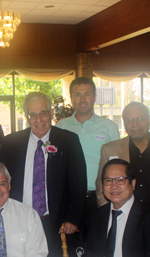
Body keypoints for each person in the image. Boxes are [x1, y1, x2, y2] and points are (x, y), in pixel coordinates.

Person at [0, 92, 87, 257]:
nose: (38, 120)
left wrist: (73, 218)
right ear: (27, 117)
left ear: (51, 113)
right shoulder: (11, 144)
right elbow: (3, 183)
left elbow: (78, 184)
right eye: (33, 115)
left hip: (56, 224)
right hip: (19, 221)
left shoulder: (68, 141)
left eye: (43, 113)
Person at [56, 77, 120, 243]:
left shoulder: (108, 127)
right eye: (77, 94)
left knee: (98, 244)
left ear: (94, 97)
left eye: (87, 94)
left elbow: (117, 163)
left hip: (99, 197)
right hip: (69, 198)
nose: (82, 99)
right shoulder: (61, 127)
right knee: (70, 246)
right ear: (71, 98)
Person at [85, 159, 150, 257]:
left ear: (133, 183)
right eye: (108, 180)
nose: (114, 186)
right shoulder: (96, 217)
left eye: (120, 180)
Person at [96, 102, 150, 207]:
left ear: (149, 120)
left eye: (140, 119)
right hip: (124, 217)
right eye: (129, 120)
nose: (135, 124)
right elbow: (101, 189)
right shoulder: (109, 150)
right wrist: (108, 217)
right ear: (124, 123)